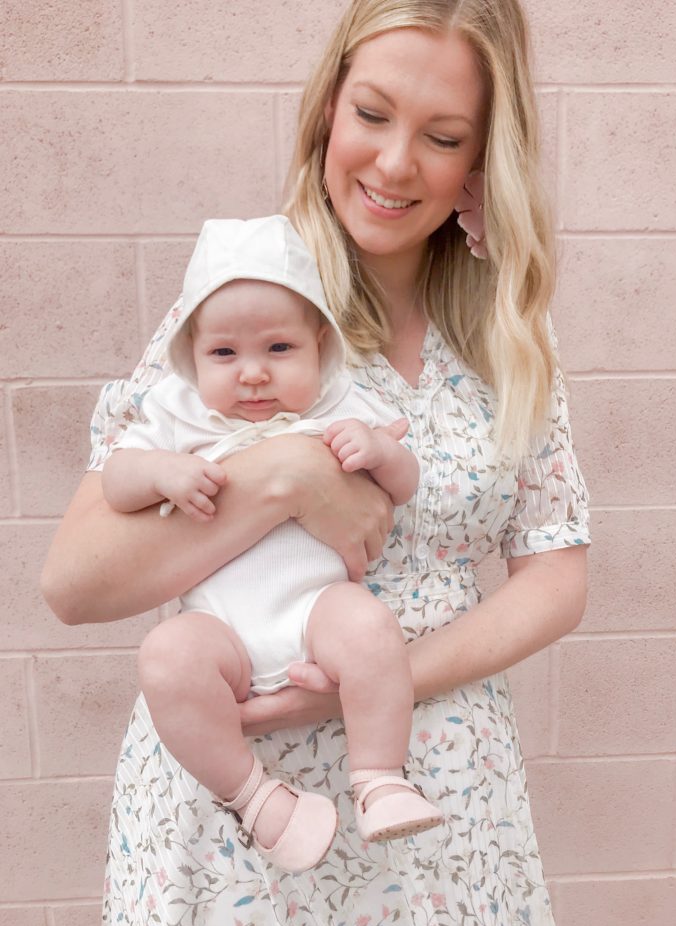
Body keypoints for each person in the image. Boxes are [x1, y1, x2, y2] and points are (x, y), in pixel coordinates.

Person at [42, 0, 590, 926]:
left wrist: (376, 683)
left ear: (481, 159)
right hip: (240, 813)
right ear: (325, 110)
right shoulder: (247, 303)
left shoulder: (508, 333)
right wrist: (288, 474)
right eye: (372, 115)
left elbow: (556, 568)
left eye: (440, 137)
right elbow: (74, 583)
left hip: (439, 796)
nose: (392, 165)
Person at [101, 214, 442, 872]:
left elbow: (403, 482)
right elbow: (117, 481)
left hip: (316, 611)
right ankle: (258, 801)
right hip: (220, 633)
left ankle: (380, 779)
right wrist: (162, 472)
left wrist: (377, 450)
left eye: (279, 349)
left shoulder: (338, 402)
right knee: (166, 656)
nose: (252, 374)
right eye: (225, 354)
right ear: (192, 354)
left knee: (371, 628)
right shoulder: (179, 412)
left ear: (319, 345)